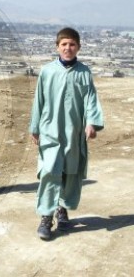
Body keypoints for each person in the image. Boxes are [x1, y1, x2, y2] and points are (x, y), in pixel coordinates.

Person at [29, 27, 104, 240]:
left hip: (74, 132)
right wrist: (34, 127)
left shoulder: (84, 73)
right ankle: (46, 216)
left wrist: (92, 123)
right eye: (64, 44)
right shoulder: (47, 71)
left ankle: (62, 209)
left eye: (72, 44)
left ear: (78, 47)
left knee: (70, 172)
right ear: (57, 47)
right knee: (50, 172)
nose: (68, 48)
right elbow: (38, 101)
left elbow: (91, 101)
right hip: (50, 131)